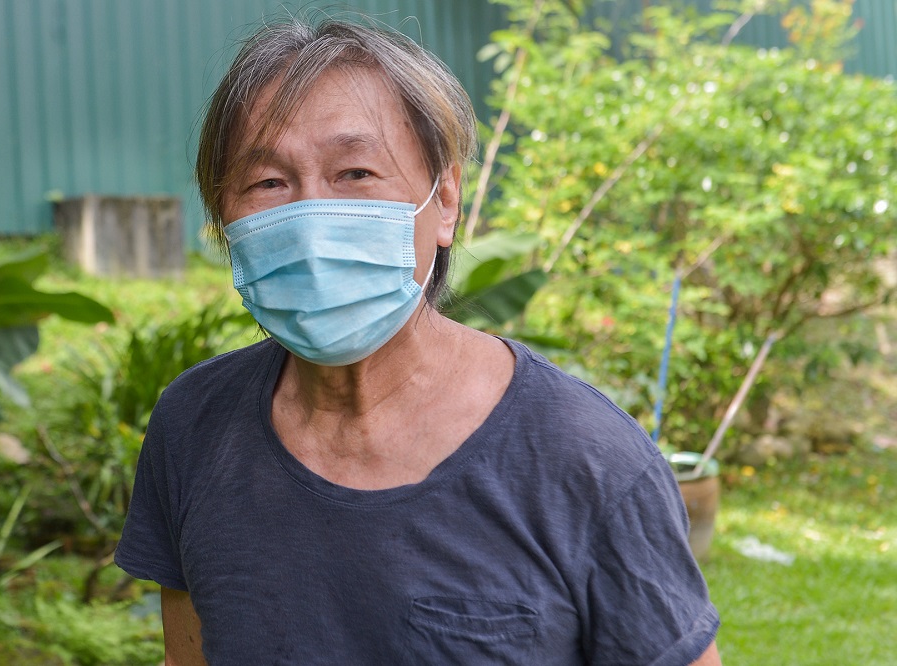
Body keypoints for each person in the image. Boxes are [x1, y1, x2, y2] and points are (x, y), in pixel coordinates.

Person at [115, 16, 721, 665]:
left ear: (446, 199)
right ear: (222, 217)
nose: (312, 219)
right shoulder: (194, 427)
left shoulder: (584, 456)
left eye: (355, 172)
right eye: (268, 183)